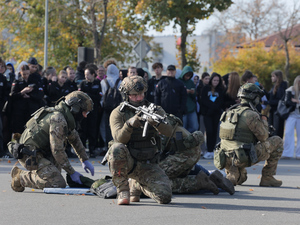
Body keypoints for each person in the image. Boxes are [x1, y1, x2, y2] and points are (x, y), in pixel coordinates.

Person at [8, 91, 95, 192]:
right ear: (75, 108)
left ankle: (38, 173)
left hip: (40, 153)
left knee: (55, 174)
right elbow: (57, 150)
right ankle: (20, 177)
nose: (85, 116)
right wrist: (72, 172)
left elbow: (74, 138)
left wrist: (84, 159)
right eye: (85, 112)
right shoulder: (58, 119)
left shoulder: (65, 116)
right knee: (57, 183)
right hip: (29, 155)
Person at [107, 75, 173, 205]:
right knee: (116, 148)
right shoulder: (118, 113)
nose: (139, 98)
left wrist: (157, 123)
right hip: (128, 161)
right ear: (126, 95)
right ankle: (123, 189)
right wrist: (129, 125)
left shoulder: (155, 109)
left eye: (141, 94)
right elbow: (119, 138)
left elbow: (170, 131)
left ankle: (137, 185)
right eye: (134, 95)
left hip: (148, 162)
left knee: (164, 196)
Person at [217, 83, 283, 187]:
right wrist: (264, 121)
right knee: (278, 141)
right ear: (254, 98)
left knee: (242, 178)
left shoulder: (229, 112)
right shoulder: (251, 115)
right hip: (241, 157)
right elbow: (264, 137)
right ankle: (267, 177)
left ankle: (232, 175)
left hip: (224, 158)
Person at [10, 65, 44, 134]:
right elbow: (12, 95)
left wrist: (30, 96)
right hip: (20, 112)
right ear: (20, 73)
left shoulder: (34, 81)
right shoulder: (17, 81)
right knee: (20, 132)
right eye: (24, 74)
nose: (26, 76)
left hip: (32, 110)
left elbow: (40, 95)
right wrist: (22, 92)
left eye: (27, 74)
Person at [78, 67, 102, 157]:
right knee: (83, 130)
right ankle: (82, 149)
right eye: (85, 75)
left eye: (88, 74)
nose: (86, 76)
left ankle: (92, 149)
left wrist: (89, 95)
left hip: (93, 110)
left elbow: (99, 96)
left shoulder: (97, 83)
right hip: (84, 110)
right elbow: (80, 95)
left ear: (92, 74)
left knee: (92, 130)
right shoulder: (83, 84)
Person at [201, 72, 224, 159]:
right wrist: (211, 107)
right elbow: (204, 100)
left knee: (214, 132)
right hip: (207, 114)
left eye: (217, 80)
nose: (216, 82)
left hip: (216, 113)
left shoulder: (220, 90)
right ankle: (208, 150)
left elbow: (220, 101)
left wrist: (214, 107)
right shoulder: (205, 89)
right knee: (209, 131)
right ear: (211, 80)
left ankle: (212, 150)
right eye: (214, 80)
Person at [282, 75, 300, 159]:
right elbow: (287, 102)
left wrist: (296, 101)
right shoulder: (290, 90)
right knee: (288, 133)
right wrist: (295, 102)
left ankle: (299, 154)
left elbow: (291, 101)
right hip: (291, 114)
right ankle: (287, 153)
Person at [267, 70, 288, 138]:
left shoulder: (281, 87)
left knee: (276, 132)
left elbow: (280, 101)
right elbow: (269, 96)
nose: (272, 78)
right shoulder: (275, 86)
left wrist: (268, 102)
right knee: (270, 130)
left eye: (273, 76)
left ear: (278, 77)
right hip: (273, 111)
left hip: (278, 113)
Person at [179, 65, 198, 132]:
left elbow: (195, 95)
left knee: (195, 127)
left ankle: (188, 137)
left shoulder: (191, 82)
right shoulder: (179, 81)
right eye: (187, 75)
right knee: (183, 127)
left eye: (189, 75)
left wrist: (193, 93)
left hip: (191, 108)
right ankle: (185, 139)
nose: (188, 77)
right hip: (182, 108)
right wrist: (184, 92)